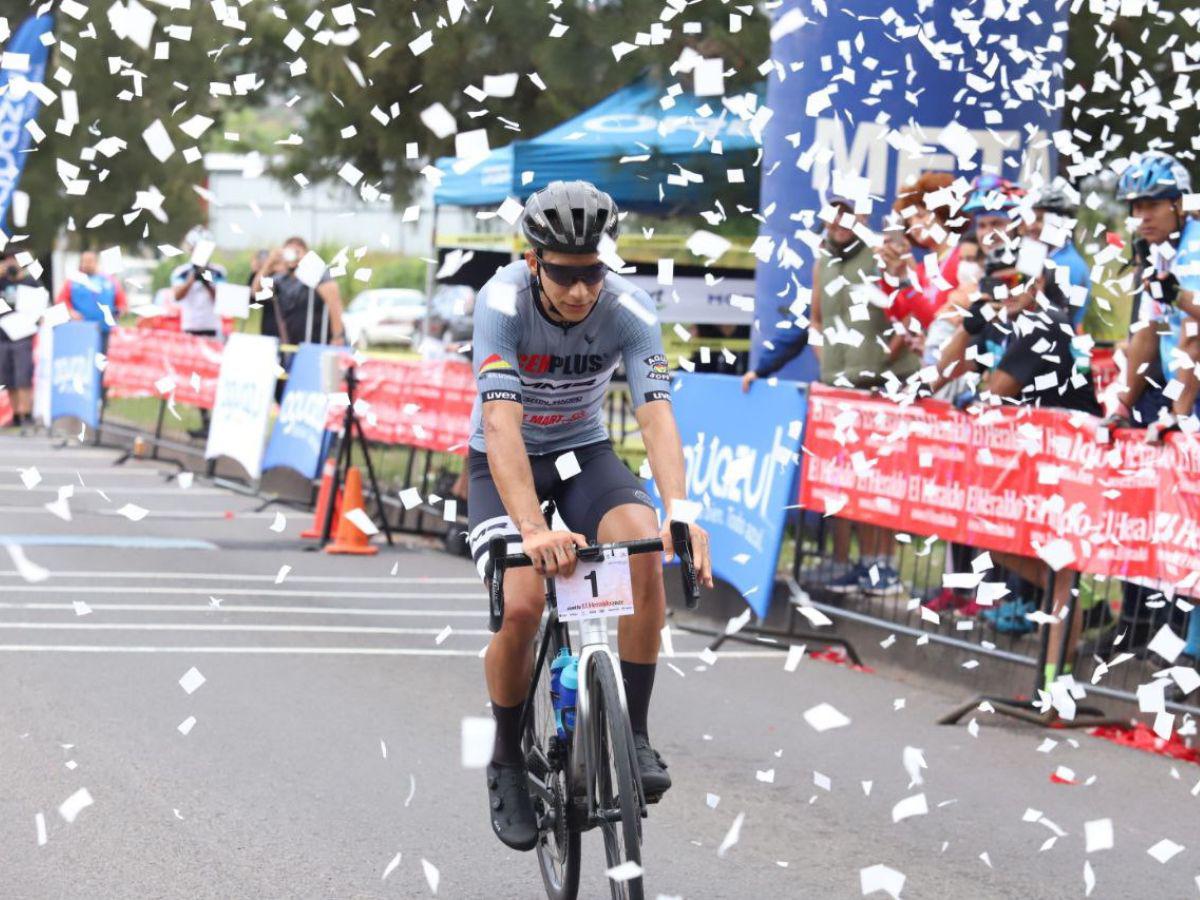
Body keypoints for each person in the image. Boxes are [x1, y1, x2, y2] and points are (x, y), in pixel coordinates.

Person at [468, 180, 713, 851]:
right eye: (564, 275)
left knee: (642, 548)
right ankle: (507, 762)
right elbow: (500, 422)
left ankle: (632, 732)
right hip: (504, 458)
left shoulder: (630, 310)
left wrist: (682, 513)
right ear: (532, 259)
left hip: (578, 455)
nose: (579, 292)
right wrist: (533, 529)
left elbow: (655, 415)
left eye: (592, 275)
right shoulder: (501, 303)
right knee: (521, 606)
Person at [936, 239, 1100, 679]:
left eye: (1016, 281)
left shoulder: (1046, 323)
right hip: (1036, 462)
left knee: (1062, 574)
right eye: (998, 282)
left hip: (1074, 463)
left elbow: (992, 394)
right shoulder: (1004, 320)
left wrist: (974, 391)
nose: (1007, 290)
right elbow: (939, 374)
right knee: (1002, 544)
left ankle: (1052, 685)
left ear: (1040, 282)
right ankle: (1056, 653)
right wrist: (969, 327)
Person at [743, 191, 914, 596]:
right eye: (833, 216)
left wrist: (883, 363)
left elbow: (910, 312)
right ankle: (845, 565)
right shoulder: (823, 261)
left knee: (878, 481)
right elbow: (814, 320)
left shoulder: (880, 255)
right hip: (840, 389)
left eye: (847, 215)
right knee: (841, 479)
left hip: (882, 390)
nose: (839, 223)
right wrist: (827, 363)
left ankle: (882, 567)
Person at [1099, 151, 1200, 442]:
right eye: (1136, 207)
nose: (1142, 217)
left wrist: (1178, 416)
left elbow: (1193, 330)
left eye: (1152, 205)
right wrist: (1122, 405)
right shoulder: (1156, 249)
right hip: (1177, 385)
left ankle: (1179, 418)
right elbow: (1148, 332)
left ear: (1178, 204)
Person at [170, 227, 227, 439]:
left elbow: (222, 300)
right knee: (196, 378)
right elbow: (177, 295)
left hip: (212, 330)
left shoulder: (219, 271)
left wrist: (208, 283)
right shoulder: (181, 272)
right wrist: (193, 278)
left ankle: (216, 419)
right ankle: (205, 419)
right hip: (191, 330)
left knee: (213, 375)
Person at [251, 236, 346, 348]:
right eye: (289, 252)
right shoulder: (281, 279)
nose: (293, 256)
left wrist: (338, 337)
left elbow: (334, 303)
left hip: (315, 344)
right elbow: (256, 291)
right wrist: (269, 262)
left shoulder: (317, 274)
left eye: (297, 251)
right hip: (291, 346)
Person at [1023, 178, 1091, 332]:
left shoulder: (1069, 265)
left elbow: (1059, 318)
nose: (1031, 226)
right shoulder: (1038, 255)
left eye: (1039, 219)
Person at [0, 254, 43, 429]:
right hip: (3, 335)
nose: (10, 264)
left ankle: (27, 412)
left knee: (23, 376)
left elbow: (40, 306)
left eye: (14, 261)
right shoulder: (2, 282)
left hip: (22, 335)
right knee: (8, 378)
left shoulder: (30, 282)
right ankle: (16, 413)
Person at [56, 250, 127, 348]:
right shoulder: (73, 281)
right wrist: (71, 312)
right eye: (84, 261)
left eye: (89, 261)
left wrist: (118, 312)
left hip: (103, 329)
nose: (86, 264)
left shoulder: (109, 280)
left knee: (101, 359)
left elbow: (122, 303)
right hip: (80, 329)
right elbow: (61, 301)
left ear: (96, 262)